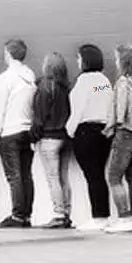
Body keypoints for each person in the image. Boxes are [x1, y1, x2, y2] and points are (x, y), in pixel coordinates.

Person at [0, 39, 37, 229]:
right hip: (28, 130)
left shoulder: (6, 77)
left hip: (10, 131)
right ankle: (26, 215)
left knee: (14, 176)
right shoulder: (30, 75)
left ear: (8, 54)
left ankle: (17, 215)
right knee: (26, 175)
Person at [102, 44, 132, 233]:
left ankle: (123, 217)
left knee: (113, 177)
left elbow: (120, 111)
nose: (115, 62)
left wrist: (111, 126)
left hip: (125, 132)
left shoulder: (122, 82)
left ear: (122, 61)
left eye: (116, 58)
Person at [67, 44, 113, 230]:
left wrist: (70, 129)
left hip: (85, 131)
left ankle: (98, 216)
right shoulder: (103, 81)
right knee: (99, 175)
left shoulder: (84, 81)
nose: (77, 62)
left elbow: (79, 106)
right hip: (103, 131)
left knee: (92, 175)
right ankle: (103, 214)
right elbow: (106, 101)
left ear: (85, 60)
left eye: (79, 58)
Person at [32, 52, 75, 229]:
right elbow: (102, 88)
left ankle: (58, 214)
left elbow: (40, 116)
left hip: (49, 137)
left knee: (53, 177)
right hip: (66, 137)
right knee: (64, 177)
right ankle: (67, 214)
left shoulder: (44, 87)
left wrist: (34, 136)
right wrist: (102, 88)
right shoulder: (68, 86)